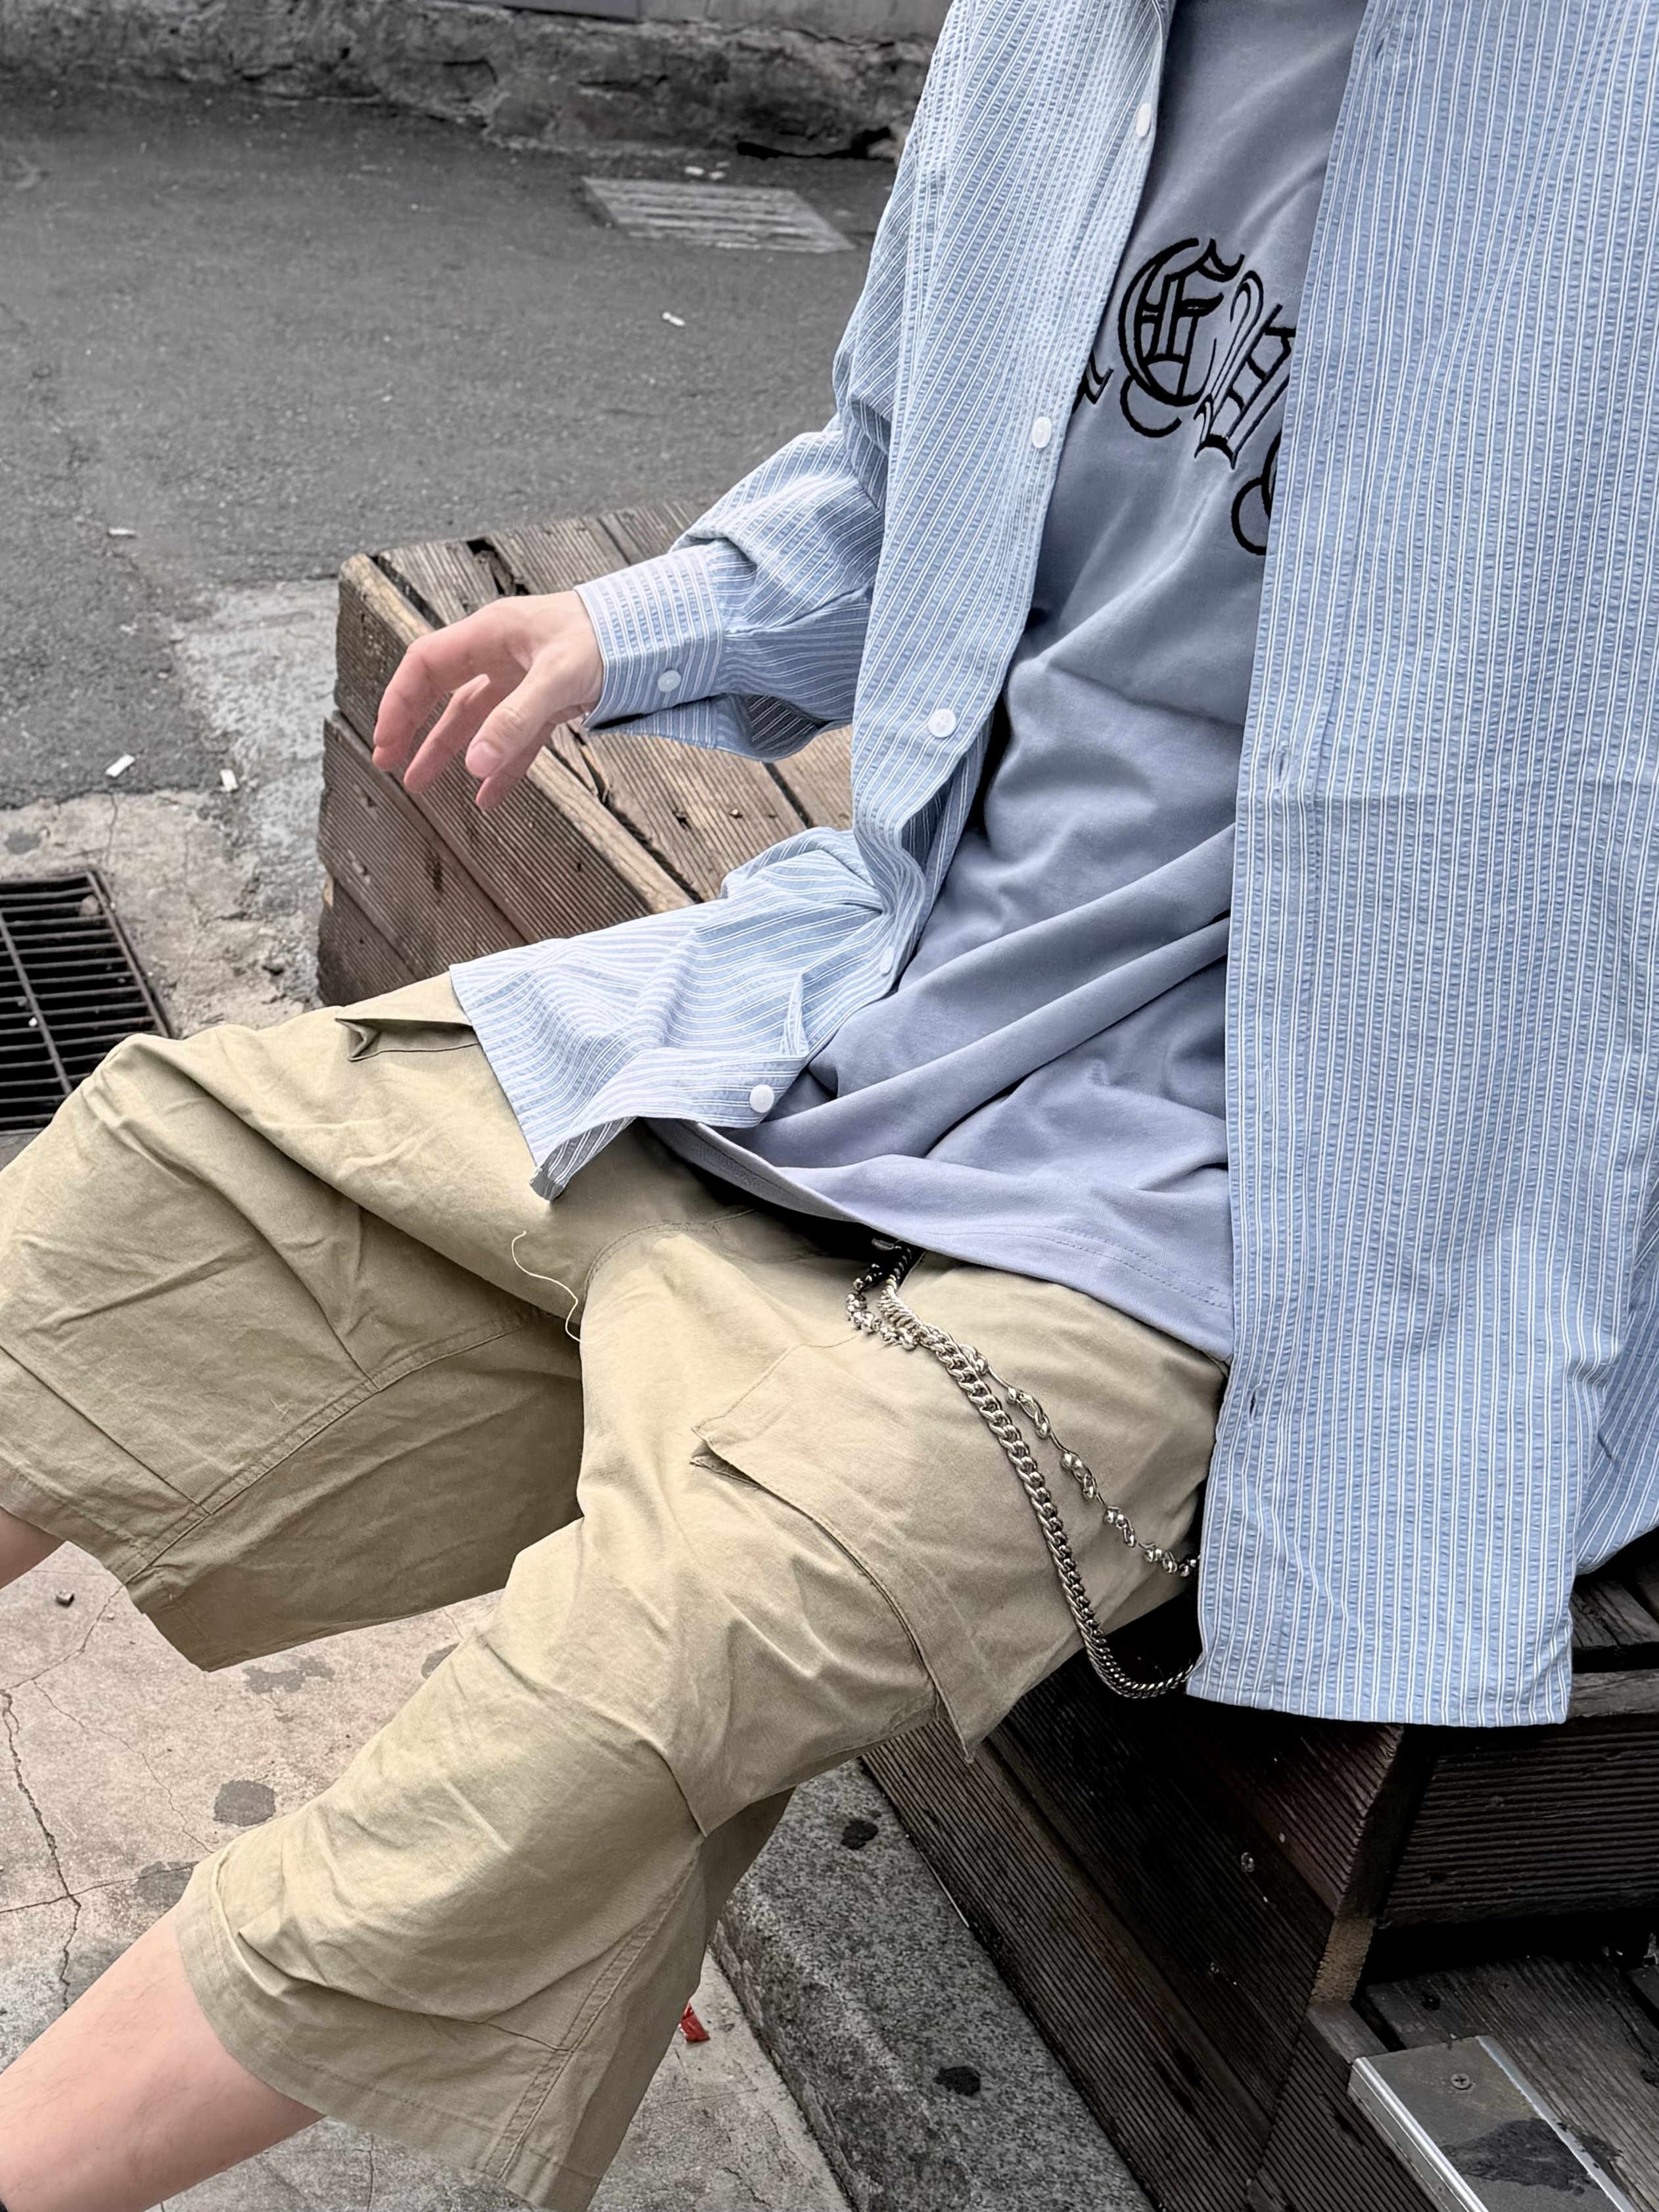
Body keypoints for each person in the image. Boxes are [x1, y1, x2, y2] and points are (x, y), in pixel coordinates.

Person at [4, 0, 1658, 2204]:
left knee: (638, 1685)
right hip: (840, 996)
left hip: (1249, 1193)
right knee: (131, 1201)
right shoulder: (1053, 32)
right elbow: (899, 473)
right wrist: (631, 628)